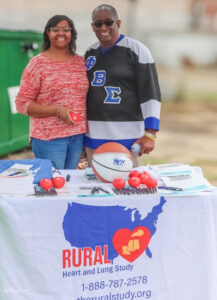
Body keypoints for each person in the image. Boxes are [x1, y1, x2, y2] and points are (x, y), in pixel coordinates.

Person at [84, 4, 161, 166]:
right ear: (93, 27)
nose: (103, 27)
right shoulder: (90, 53)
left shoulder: (137, 50)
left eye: (108, 22)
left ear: (118, 23)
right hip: (93, 135)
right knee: (96, 187)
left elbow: (150, 93)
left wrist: (151, 133)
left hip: (127, 135)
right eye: (98, 24)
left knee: (128, 187)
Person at [16, 15, 89, 170]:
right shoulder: (37, 64)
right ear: (48, 33)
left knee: (70, 185)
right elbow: (21, 104)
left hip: (77, 137)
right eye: (55, 29)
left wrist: (85, 136)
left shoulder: (81, 63)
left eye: (66, 30)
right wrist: (57, 111)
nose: (60, 33)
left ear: (72, 34)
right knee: (52, 187)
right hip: (48, 138)